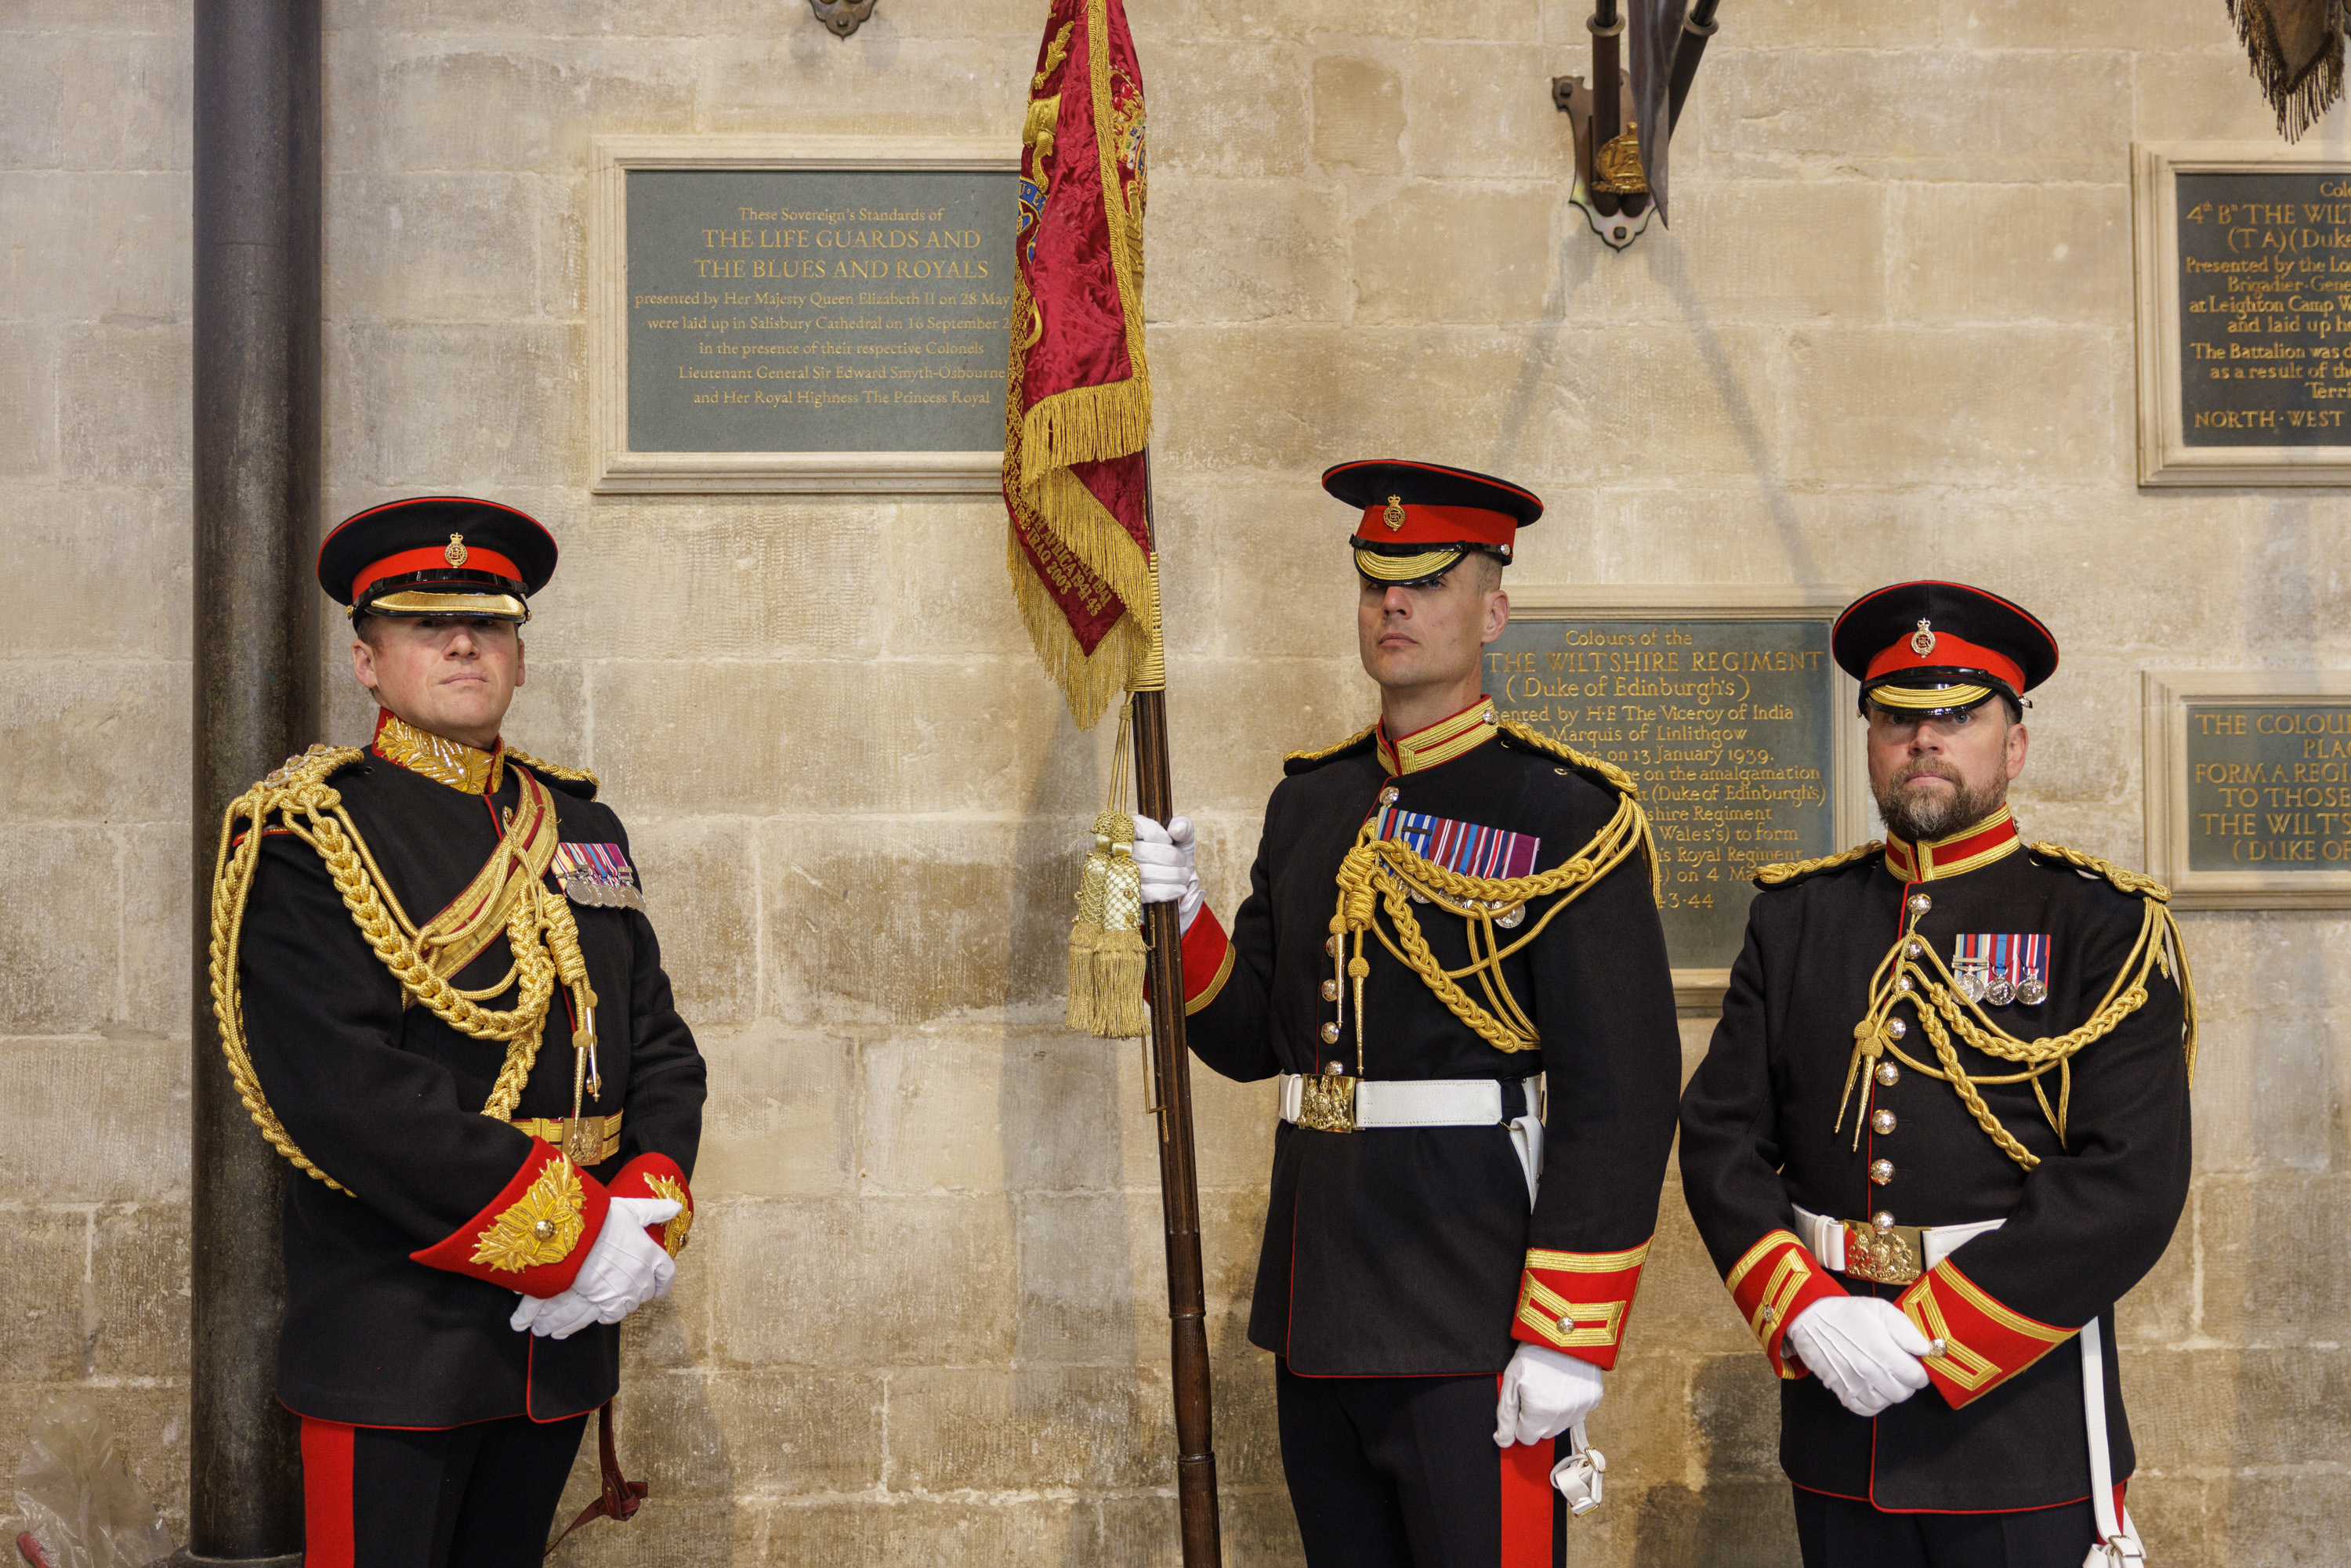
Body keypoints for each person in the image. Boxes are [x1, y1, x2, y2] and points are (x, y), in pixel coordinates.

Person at [1131, 460, 1682, 1566]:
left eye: (1430, 582)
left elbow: (1620, 1092)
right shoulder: (1312, 801)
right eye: (1378, 580)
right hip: (1321, 1299)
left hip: (1472, 1303)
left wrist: (1568, 1330)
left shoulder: (1563, 811)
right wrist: (1182, 919)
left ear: (1494, 609)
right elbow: (1255, 1044)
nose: (1396, 604)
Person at [208, 497, 708, 1566]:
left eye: (490, 622)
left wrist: (646, 1213)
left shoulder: (581, 826)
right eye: (426, 623)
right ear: (366, 660)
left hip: (561, 1343)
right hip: (400, 1337)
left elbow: (654, 1039)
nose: (464, 641)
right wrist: (576, 1238)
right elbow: (343, 1094)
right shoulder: (307, 833)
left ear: (520, 656)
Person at [1676, 581, 2196, 1568]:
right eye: (1898, 715)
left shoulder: (2101, 929)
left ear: (2015, 743)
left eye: (1958, 715)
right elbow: (1721, 1138)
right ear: (1869, 737)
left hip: (2018, 1431)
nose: (1925, 738)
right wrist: (1805, 1310)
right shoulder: (1798, 922)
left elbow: (2129, 1181)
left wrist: (1932, 1335)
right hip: (1837, 1423)